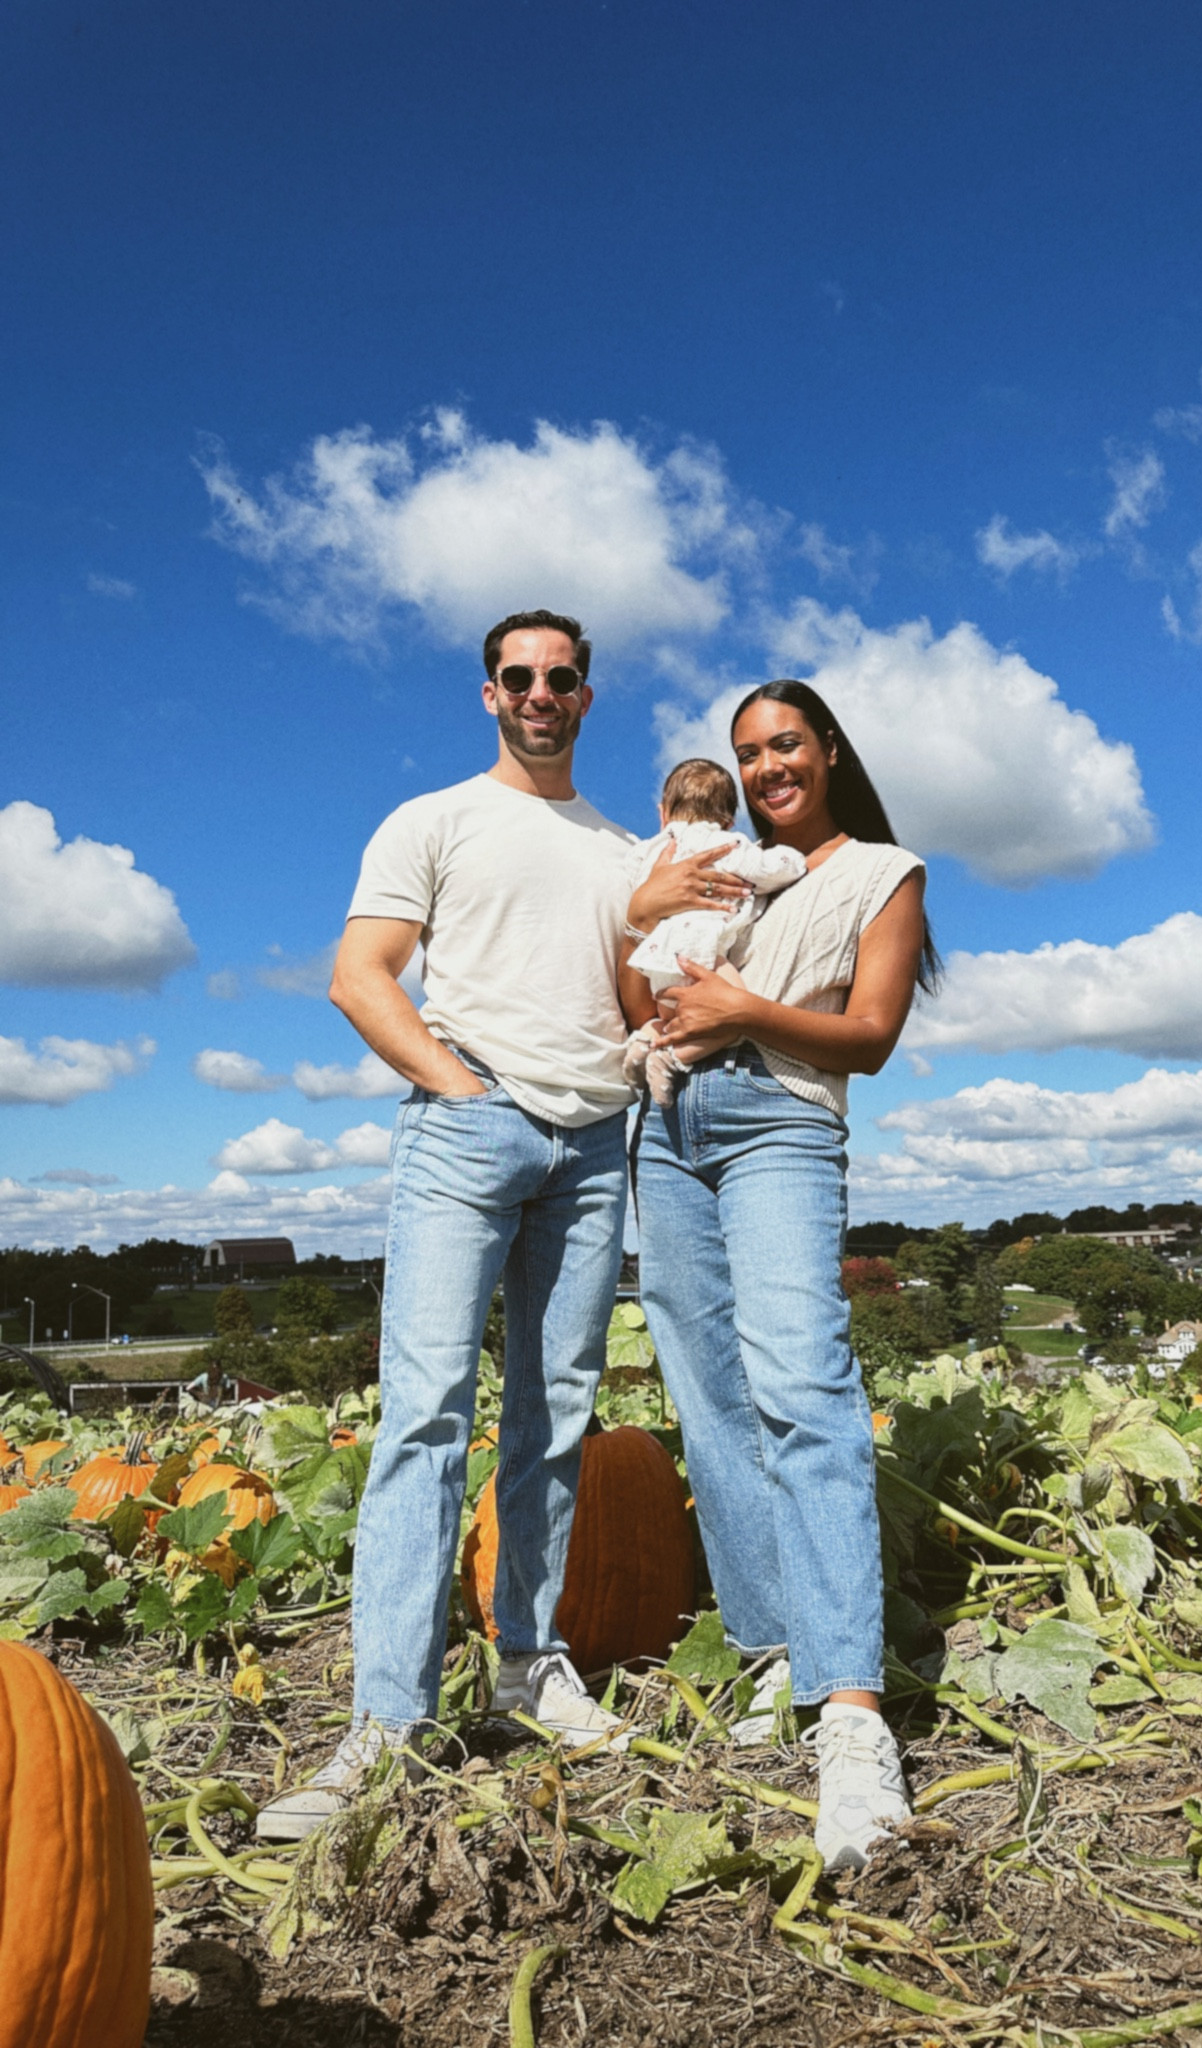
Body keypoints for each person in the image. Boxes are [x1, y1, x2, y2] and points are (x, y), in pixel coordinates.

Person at [257, 608, 637, 1841]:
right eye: (518, 675)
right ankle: (389, 1720)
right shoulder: (432, 819)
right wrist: (461, 1089)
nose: (539, 691)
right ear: (489, 693)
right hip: (469, 1129)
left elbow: (648, 983)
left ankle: (528, 1664)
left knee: (554, 1412)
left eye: (560, 676)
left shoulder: (623, 850)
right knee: (425, 1412)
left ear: (586, 695)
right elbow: (359, 974)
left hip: (593, 1148)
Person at [622, 679, 940, 1873]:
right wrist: (649, 924)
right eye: (750, 752)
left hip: (779, 1119)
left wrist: (746, 1009)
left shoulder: (882, 872)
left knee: (802, 1383)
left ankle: (850, 1709)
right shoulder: (716, 866)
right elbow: (643, 983)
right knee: (709, 1393)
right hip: (667, 1124)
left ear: (830, 748)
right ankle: (772, 1647)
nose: (767, 768)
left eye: (787, 744)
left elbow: (872, 1035)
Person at [621, 757, 806, 1104]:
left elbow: (631, 885)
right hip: (700, 952)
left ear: (664, 813)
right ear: (729, 819)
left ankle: (644, 1039)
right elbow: (769, 870)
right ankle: (670, 1058)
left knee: (672, 1014)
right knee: (736, 1015)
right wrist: (795, 859)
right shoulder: (726, 845)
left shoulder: (648, 851)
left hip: (655, 958)